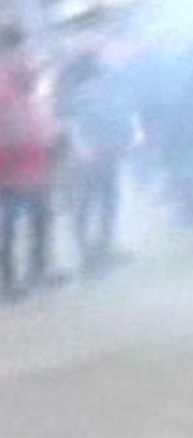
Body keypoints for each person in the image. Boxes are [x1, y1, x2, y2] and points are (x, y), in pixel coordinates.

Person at [57, 50, 136, 274]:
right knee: (86, 203)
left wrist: (122, 141)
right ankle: (87, 254)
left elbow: (118, 110)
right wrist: (78, 146)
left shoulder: (105, 82)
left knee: (108, 199)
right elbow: (66, 117)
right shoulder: (70, 84)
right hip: (85, 153)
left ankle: (103, 247)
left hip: (107, 149)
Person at [0, 27, 59, 302]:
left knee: (41, 219)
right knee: (7, 228)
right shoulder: (4, 86)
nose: (26, 55)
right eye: (19, 50)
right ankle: (8, 282)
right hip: (9, 170)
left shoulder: (25, 80)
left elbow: (38, 114)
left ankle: (39, 269)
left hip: (35, 163)